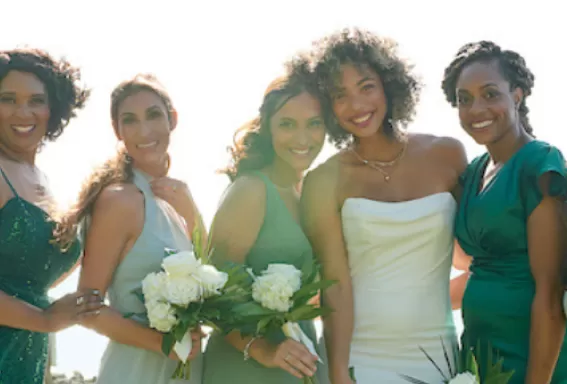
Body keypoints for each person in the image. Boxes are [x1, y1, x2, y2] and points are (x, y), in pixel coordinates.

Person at [301, 28, 470, 383]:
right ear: (327, 106)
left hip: (440, 355)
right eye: (340, 95)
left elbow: (476, 258)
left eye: (366, 87)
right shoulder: (323, 181)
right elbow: (335, 286)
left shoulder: (448, 154)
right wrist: (337, 373)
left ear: (389, 86)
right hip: (363, 358)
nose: (357, 105)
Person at [54, 74, 204, 383]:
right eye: (130, 120)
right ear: (117, 130)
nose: (144, 130)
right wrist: (164, 344)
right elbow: (87, 306)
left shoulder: (177, 200)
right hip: (137, 370)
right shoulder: (119, 200)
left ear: (172, 119)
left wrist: (193, 213)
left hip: (185, 371)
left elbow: (214, 273)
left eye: (153, 115)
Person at [443, 40, 567, 383]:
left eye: (490, 94)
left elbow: (551, 293)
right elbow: (469, 264)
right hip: (479, 354)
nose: (475, 109)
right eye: (463, 99)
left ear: (517, 95)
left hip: (531, 358)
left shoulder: (539, 166)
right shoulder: (474, 173)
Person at [202, 61, 328, 384]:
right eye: (287, 124)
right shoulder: (252, 190)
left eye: (314, 123)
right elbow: (214, 295)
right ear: (267, 127)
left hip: (299, 360)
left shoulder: (312, 190)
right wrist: (265, 352)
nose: (303, 137)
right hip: (245, 368)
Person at [0, 48, 102, 384]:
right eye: (8, 98)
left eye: (36, 100)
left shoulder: (44, 180)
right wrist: (44, 319)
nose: (22, 111)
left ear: (52, 108)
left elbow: (31, 273)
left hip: (29, 358)